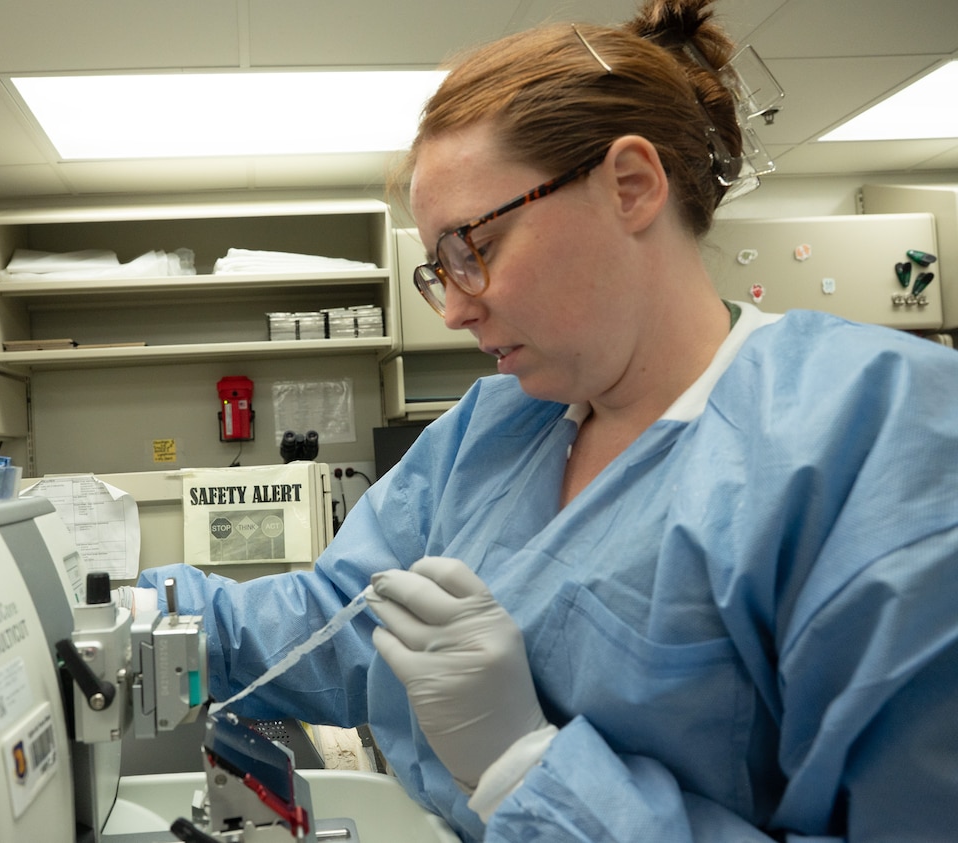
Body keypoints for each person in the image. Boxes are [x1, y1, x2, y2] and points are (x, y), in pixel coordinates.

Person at [130, 0, 958, 839]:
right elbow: (341, 616)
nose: (453, 309)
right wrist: (142, 611)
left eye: (472, 248)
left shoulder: (874, 434)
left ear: (629, 186)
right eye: (438, 268)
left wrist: (525, 767)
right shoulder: (499, 427)